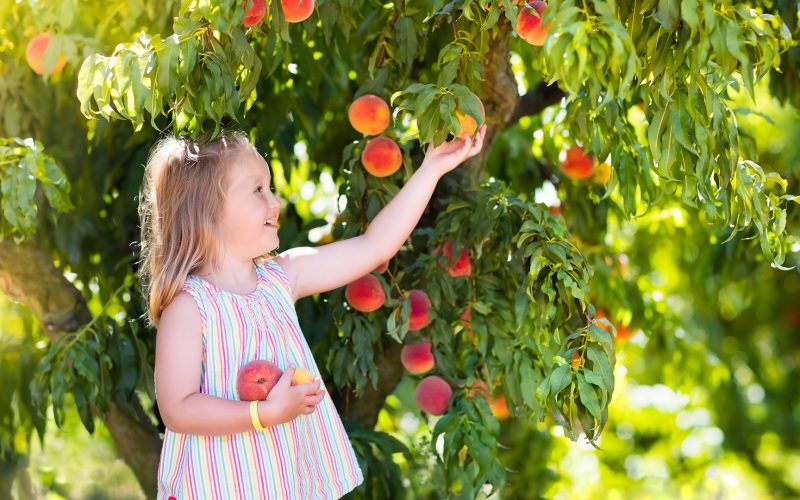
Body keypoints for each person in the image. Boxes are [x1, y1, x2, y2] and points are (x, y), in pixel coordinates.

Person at [138, 124, 486, 499]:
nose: (275, 202)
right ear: (208, 212)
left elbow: (375, 246)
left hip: (283, 483)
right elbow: (178, 409)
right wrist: (263, 414)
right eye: (257, 190)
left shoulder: (281, 278)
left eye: (269, 187)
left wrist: (431, 168)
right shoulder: (189, 307)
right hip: (216, 487)